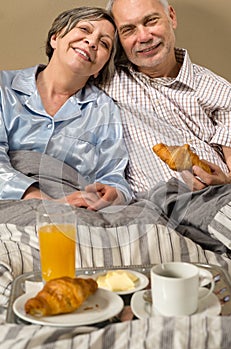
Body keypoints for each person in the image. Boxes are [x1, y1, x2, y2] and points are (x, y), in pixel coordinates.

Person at [0, 7, 132, 210]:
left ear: (100, 69)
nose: (92, 42)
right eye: (84, 29)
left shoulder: (104, 110)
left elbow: (113, 175)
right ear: (55, 38)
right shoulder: (3, 87)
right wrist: (44, 201)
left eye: (104, 43)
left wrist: (114, 193)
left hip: (76, 211)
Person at [103, 0, 231, 195]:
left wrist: (225, 182)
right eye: (128, 30)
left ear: (171, 17)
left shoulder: (219, 90)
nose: (144, 37)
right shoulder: (105, 82)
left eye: (151, 21)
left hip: (217, 201)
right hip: (149, 211)